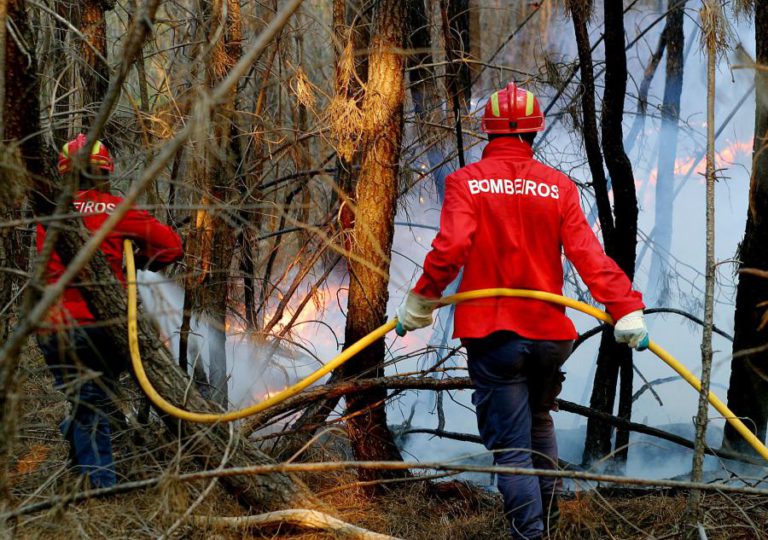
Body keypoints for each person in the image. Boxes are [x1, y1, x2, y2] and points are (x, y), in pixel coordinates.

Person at [396, 83, 648, 540]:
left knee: (513, 452)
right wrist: (625, 307)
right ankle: (547, 527)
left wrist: (421, 301)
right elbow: (589, 255)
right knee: (538, 425)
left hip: (495, 337)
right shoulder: (558, 186)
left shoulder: (466, 182)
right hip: (551, 336)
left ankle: (530, 537)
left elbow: (450, 248)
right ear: (535, 131)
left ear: (487, 131)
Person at [36, 134, 183, 488]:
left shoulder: (50, 214)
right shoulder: (118, 210)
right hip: (104, 328)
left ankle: (87, 468)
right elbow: (173, 247)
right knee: (96, 398)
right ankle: (101, 487)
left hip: (52, 330)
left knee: (86, 397)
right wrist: (146, 258)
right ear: (105, 172)